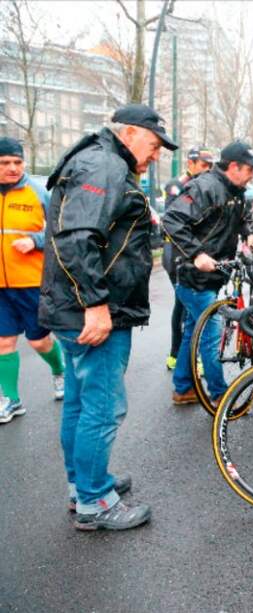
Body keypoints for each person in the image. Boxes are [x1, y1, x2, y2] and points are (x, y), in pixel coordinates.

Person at [39, 103, 177, 530]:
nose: (156, 155)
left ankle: (83, 485)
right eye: (154, 145)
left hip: (75, 306)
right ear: (131, 133)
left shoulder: (97, 160)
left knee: (80, 404)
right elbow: (77, 238)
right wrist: (96, 306)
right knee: (102, 406)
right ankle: (95, 501)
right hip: (96, 310)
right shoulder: (104, 165)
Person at [162, 140, 253, 406]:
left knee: (192, 332)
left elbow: (242, 219)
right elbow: (171, 219)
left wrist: (251, 234)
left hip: (213, 276)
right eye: (250, 169)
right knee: (210, 334)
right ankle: (221, 395)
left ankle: (183, 388)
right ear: (234, 166)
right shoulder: (205, 186)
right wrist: (197, 254)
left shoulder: (236, 190)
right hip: (192, 275)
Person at [0, 137, 66, 424]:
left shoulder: (37, 193)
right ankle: (11, 400)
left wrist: (35, 241)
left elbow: (59, 231)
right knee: (3, 342)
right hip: (1, 288)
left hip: (31, 283)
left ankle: (59, 371)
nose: (13, 168)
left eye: (17, 162)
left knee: (39, 342)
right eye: (5, 163)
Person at [162, 146, 215, 370]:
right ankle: (181, 355)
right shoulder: (177, 186)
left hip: (193, 252)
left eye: (210, 166)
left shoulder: (205, 187)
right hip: (175, 253)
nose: (208, 170)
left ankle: (181, 355)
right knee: (185, 304)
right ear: (190, 163)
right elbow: (176, 222)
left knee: (186, 304)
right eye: (204, 165)